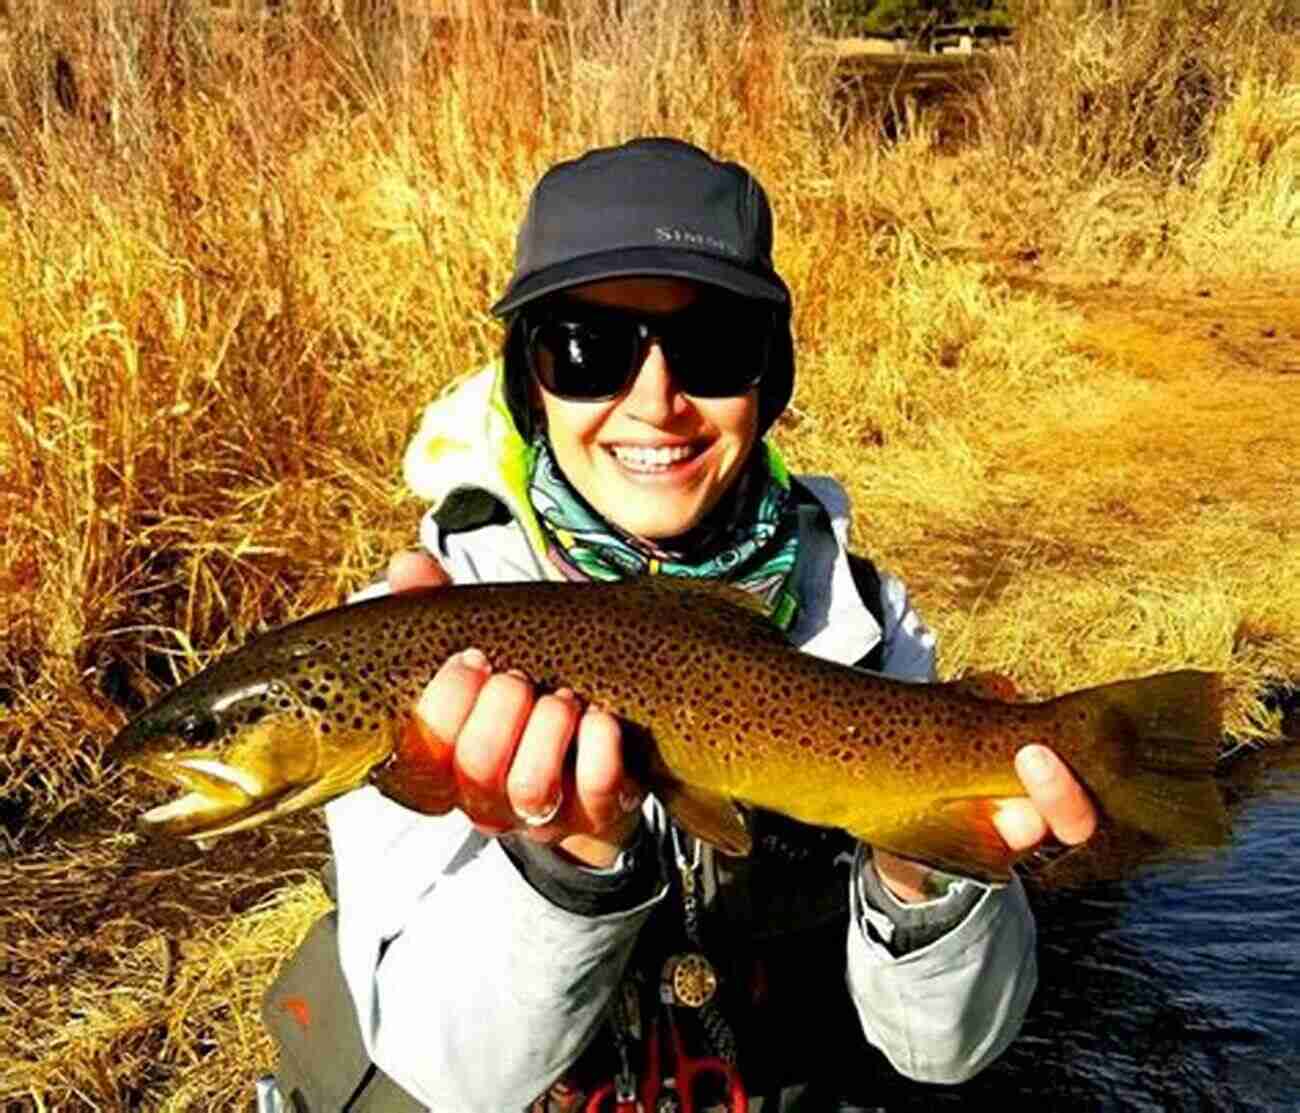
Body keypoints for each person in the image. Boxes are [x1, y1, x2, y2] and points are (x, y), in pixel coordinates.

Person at [313, 137, 1097, 1112]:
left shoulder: (860, 625)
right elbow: (454, 1079)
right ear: (531, 377)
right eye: (589, 348)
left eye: (714, 346)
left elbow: (945, 1053)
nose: (655, 403)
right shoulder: (413, 651)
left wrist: (920, 862)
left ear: (769, 376)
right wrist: (566, 864)